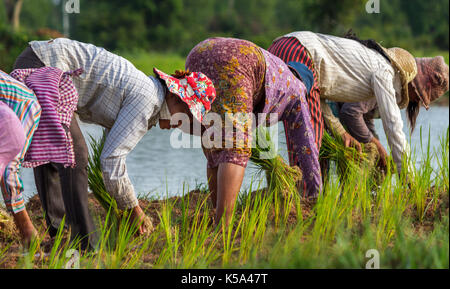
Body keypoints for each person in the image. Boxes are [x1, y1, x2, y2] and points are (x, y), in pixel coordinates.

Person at [13, 38, 216, 242]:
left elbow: (110, 156)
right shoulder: (148, 101)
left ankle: (61, 236)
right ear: (174, 97)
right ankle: (84, 243)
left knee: (54, 149)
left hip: (40, 59)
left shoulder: (149, 96)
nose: (180, 123)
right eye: (185, 114)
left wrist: (120, 207)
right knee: (75, 154)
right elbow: (111, 159)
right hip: (45, 64)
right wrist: (133, 209)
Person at [185, 37, 322, 225]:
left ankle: (216, 212)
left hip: (199, 51)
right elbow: (307, 147)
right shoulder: (298, 90)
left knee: (214, 141)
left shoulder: (278, 69)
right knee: (236, 148)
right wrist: (316, 194)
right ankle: (223, 224)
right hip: (236, 61)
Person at [268, 31, 422, 175]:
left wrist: (340, 132)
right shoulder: (385, 70)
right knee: (311, 135)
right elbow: (393, 123)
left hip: (279, 47)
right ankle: (308, 196)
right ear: (399, 79)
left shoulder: (368, 60)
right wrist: (406, 173)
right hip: (299, 52)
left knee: (268, 116)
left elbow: (316, 95)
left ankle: (287, 188)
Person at [336, 55, 449, 169]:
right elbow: (351, 112)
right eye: (419, 96)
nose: (416, 101)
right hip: (329, 108)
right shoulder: (387, 81)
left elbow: (365, 114)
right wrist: (377, 145)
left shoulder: (395, 89)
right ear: (412, 83)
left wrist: (378, 148)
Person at [0, 70, 41, 246]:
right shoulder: (30, 105)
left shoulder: (15, 93)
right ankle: (28, 233)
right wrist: (25, 226)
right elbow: (10, 167)